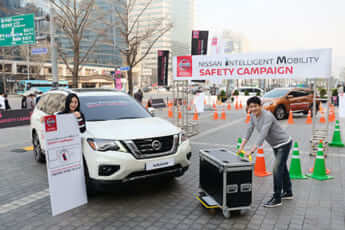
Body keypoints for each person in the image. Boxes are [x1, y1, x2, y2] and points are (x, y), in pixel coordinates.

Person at [239, 96, 293, 208]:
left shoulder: (267, 115)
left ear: (260, 106)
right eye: (251, 107)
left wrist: (252, 151)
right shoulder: (253, 116)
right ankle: (288, 192)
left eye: (255, 106)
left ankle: (277, 198)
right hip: (275, 145)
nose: (253, 109)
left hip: (284, 143)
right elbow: (249, 130)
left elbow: (263, 134)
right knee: (282, 168)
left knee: (277, 169)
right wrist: (241, 146)